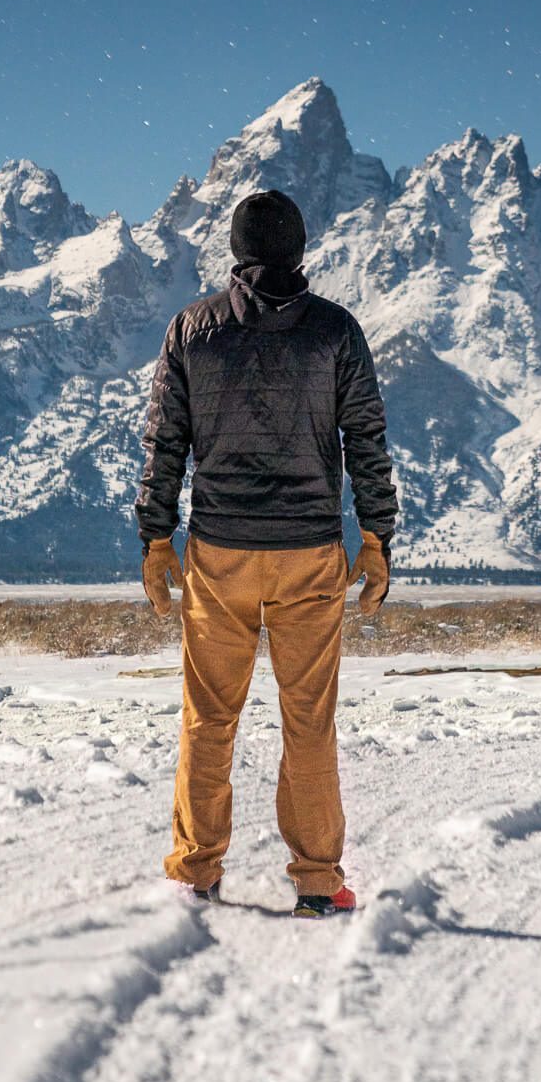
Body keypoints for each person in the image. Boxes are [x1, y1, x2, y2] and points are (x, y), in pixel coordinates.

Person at [135, 187, 398, 918]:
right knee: (308, 721)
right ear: (300, 250)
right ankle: (317, 881)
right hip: (310, 553)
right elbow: (367, 444)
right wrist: (375, 538)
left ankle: (195, 873)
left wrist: (157, 537)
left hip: (219, 553)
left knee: (208, 718)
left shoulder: (193, 329)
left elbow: (165, 444)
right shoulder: (335, 332)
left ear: (235, 251)